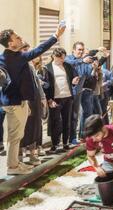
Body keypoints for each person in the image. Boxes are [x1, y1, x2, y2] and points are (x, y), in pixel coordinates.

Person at [0, 25, 65, 175]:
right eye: (17, 38)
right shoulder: (16, 57)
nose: (20, 38)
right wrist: (55, 36)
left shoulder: (6, 57)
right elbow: (39, 50)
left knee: (16, 135)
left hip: (16, 101)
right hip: (15, 102)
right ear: (11, 44)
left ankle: (15, 163)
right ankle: (12, 167)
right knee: (15, 136)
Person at [43, 47, 78, 153]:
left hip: (67, 97)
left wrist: (74, 81)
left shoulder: (68, 66)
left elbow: (74, 77)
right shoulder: (47, 67)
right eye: (61, 58)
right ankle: (54, 144)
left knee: (67, 121)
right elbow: (46, 86)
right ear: (54, 56)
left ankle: (65, 143)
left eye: (64, 58)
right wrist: (49, 99)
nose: (63, 60)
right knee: (55, 122)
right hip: (55, 99)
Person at [18, 44, 46, 165]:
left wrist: (43, 97)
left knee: (35, 127)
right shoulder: (17, 66)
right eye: (24, 50)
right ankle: (19, 157)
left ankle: (33, 155)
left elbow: (37, 84)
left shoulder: (30, 65)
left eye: (27, 50)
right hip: (24, 100)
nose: (27, 53)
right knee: (23, 129)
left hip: (35, 99)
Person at [65, 42, 95, 145]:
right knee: (67, 116)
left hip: (78, 91)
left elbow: (88, 75)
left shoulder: (84, 62)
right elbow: (69, 63)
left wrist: (94, 67)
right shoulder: (68, 58)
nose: (81, 51)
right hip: (67, 92)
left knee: (75, 115)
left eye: (82, 49)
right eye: (79, 49)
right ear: (73, 50)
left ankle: (74, 137)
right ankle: (65, 138)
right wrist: (82, 60)